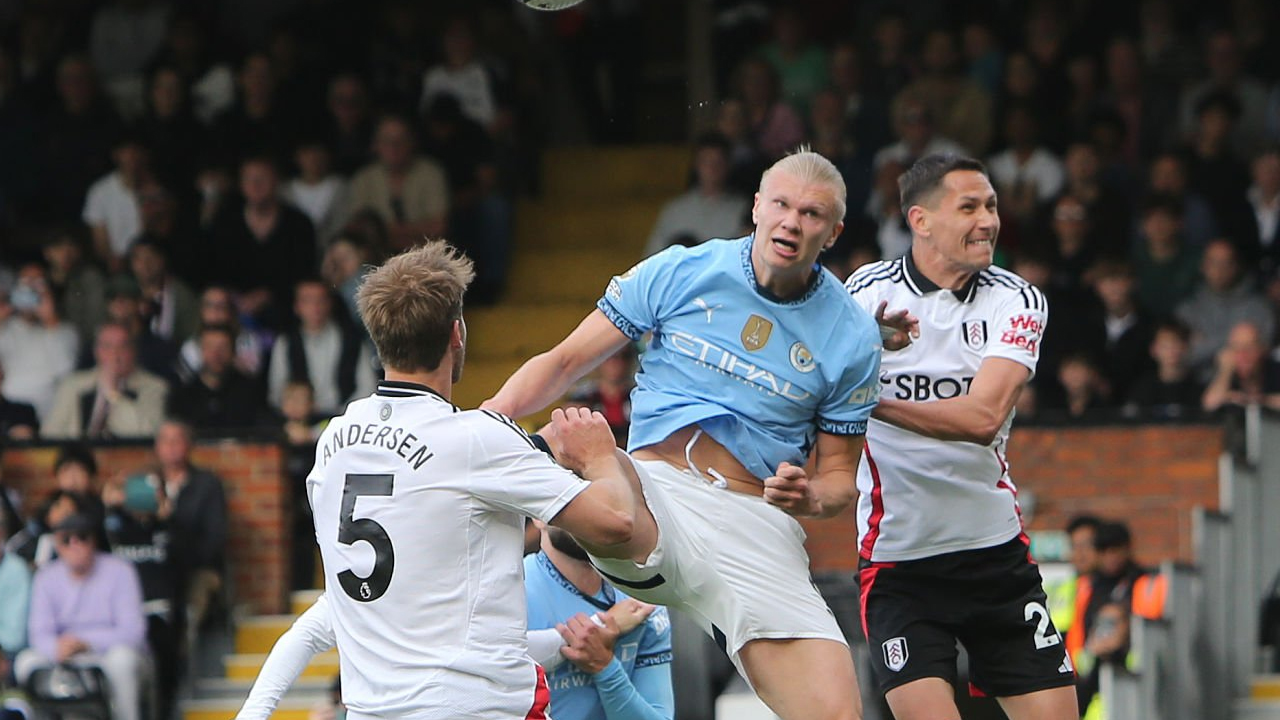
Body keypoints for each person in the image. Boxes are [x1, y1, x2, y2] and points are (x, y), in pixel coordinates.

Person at [485, 150, 889, 720]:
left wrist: (812, 496)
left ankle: (588, 473)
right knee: (592, 456)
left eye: (812, 213)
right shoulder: (680, 270)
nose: (792, 222)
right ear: (756, 206)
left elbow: (841, 481)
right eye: (780, 204)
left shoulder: (853, 337)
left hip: (755, 525)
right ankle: (586, 470)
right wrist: (478, 422)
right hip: (654, 493)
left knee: (838, 714)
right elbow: (563, 362)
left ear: (833, 231)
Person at [290, 241, 643, 719]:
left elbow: (442, 482)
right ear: (456, 334)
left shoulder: (334, 439)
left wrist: (535, 449)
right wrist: (600, 457)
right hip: (469, 707)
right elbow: (618, 526)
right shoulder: (476, 440)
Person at [843, 153, 1077, 720]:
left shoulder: (1016, 299)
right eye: (969, 207)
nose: (988, 221)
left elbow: (983, 419)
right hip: (901, 565)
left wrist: (866, 397)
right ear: (920, 220)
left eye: (992, 206)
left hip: (995, 560)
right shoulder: (861, 296)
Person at [525, 524, 674, 720]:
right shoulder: (512, 591)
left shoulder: (641, 598)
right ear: (538, 517)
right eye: (570, 503)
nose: (583, 517)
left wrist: (606, 668)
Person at [14, 513, 150, 720]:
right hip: (64, 654)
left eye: (82, 536)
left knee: (122, 660)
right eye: (66, 539)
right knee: (25, 662)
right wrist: (56, 648)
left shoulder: (120, 571)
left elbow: (133, 632)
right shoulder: (46, 577)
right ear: (57, 544)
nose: (74, 544)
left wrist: (86, 643)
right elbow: (38, 633)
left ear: (93, 540)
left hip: (105, 653)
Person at [42, 322, 168, 440]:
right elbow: (50, 434)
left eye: (122, 347)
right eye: (107, 346)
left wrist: (114, 395)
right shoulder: (72, 384)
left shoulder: (155, 386)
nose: (115, 354)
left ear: (133, 351)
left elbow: (148, 434)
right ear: (96, 351)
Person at [642, 133, 750, 258]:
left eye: (717, 162)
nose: (711, 169)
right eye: (706, 162)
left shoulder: (743, 211)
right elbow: (653, 259)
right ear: (696, 165)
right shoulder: (674, 210)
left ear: (728, 165)